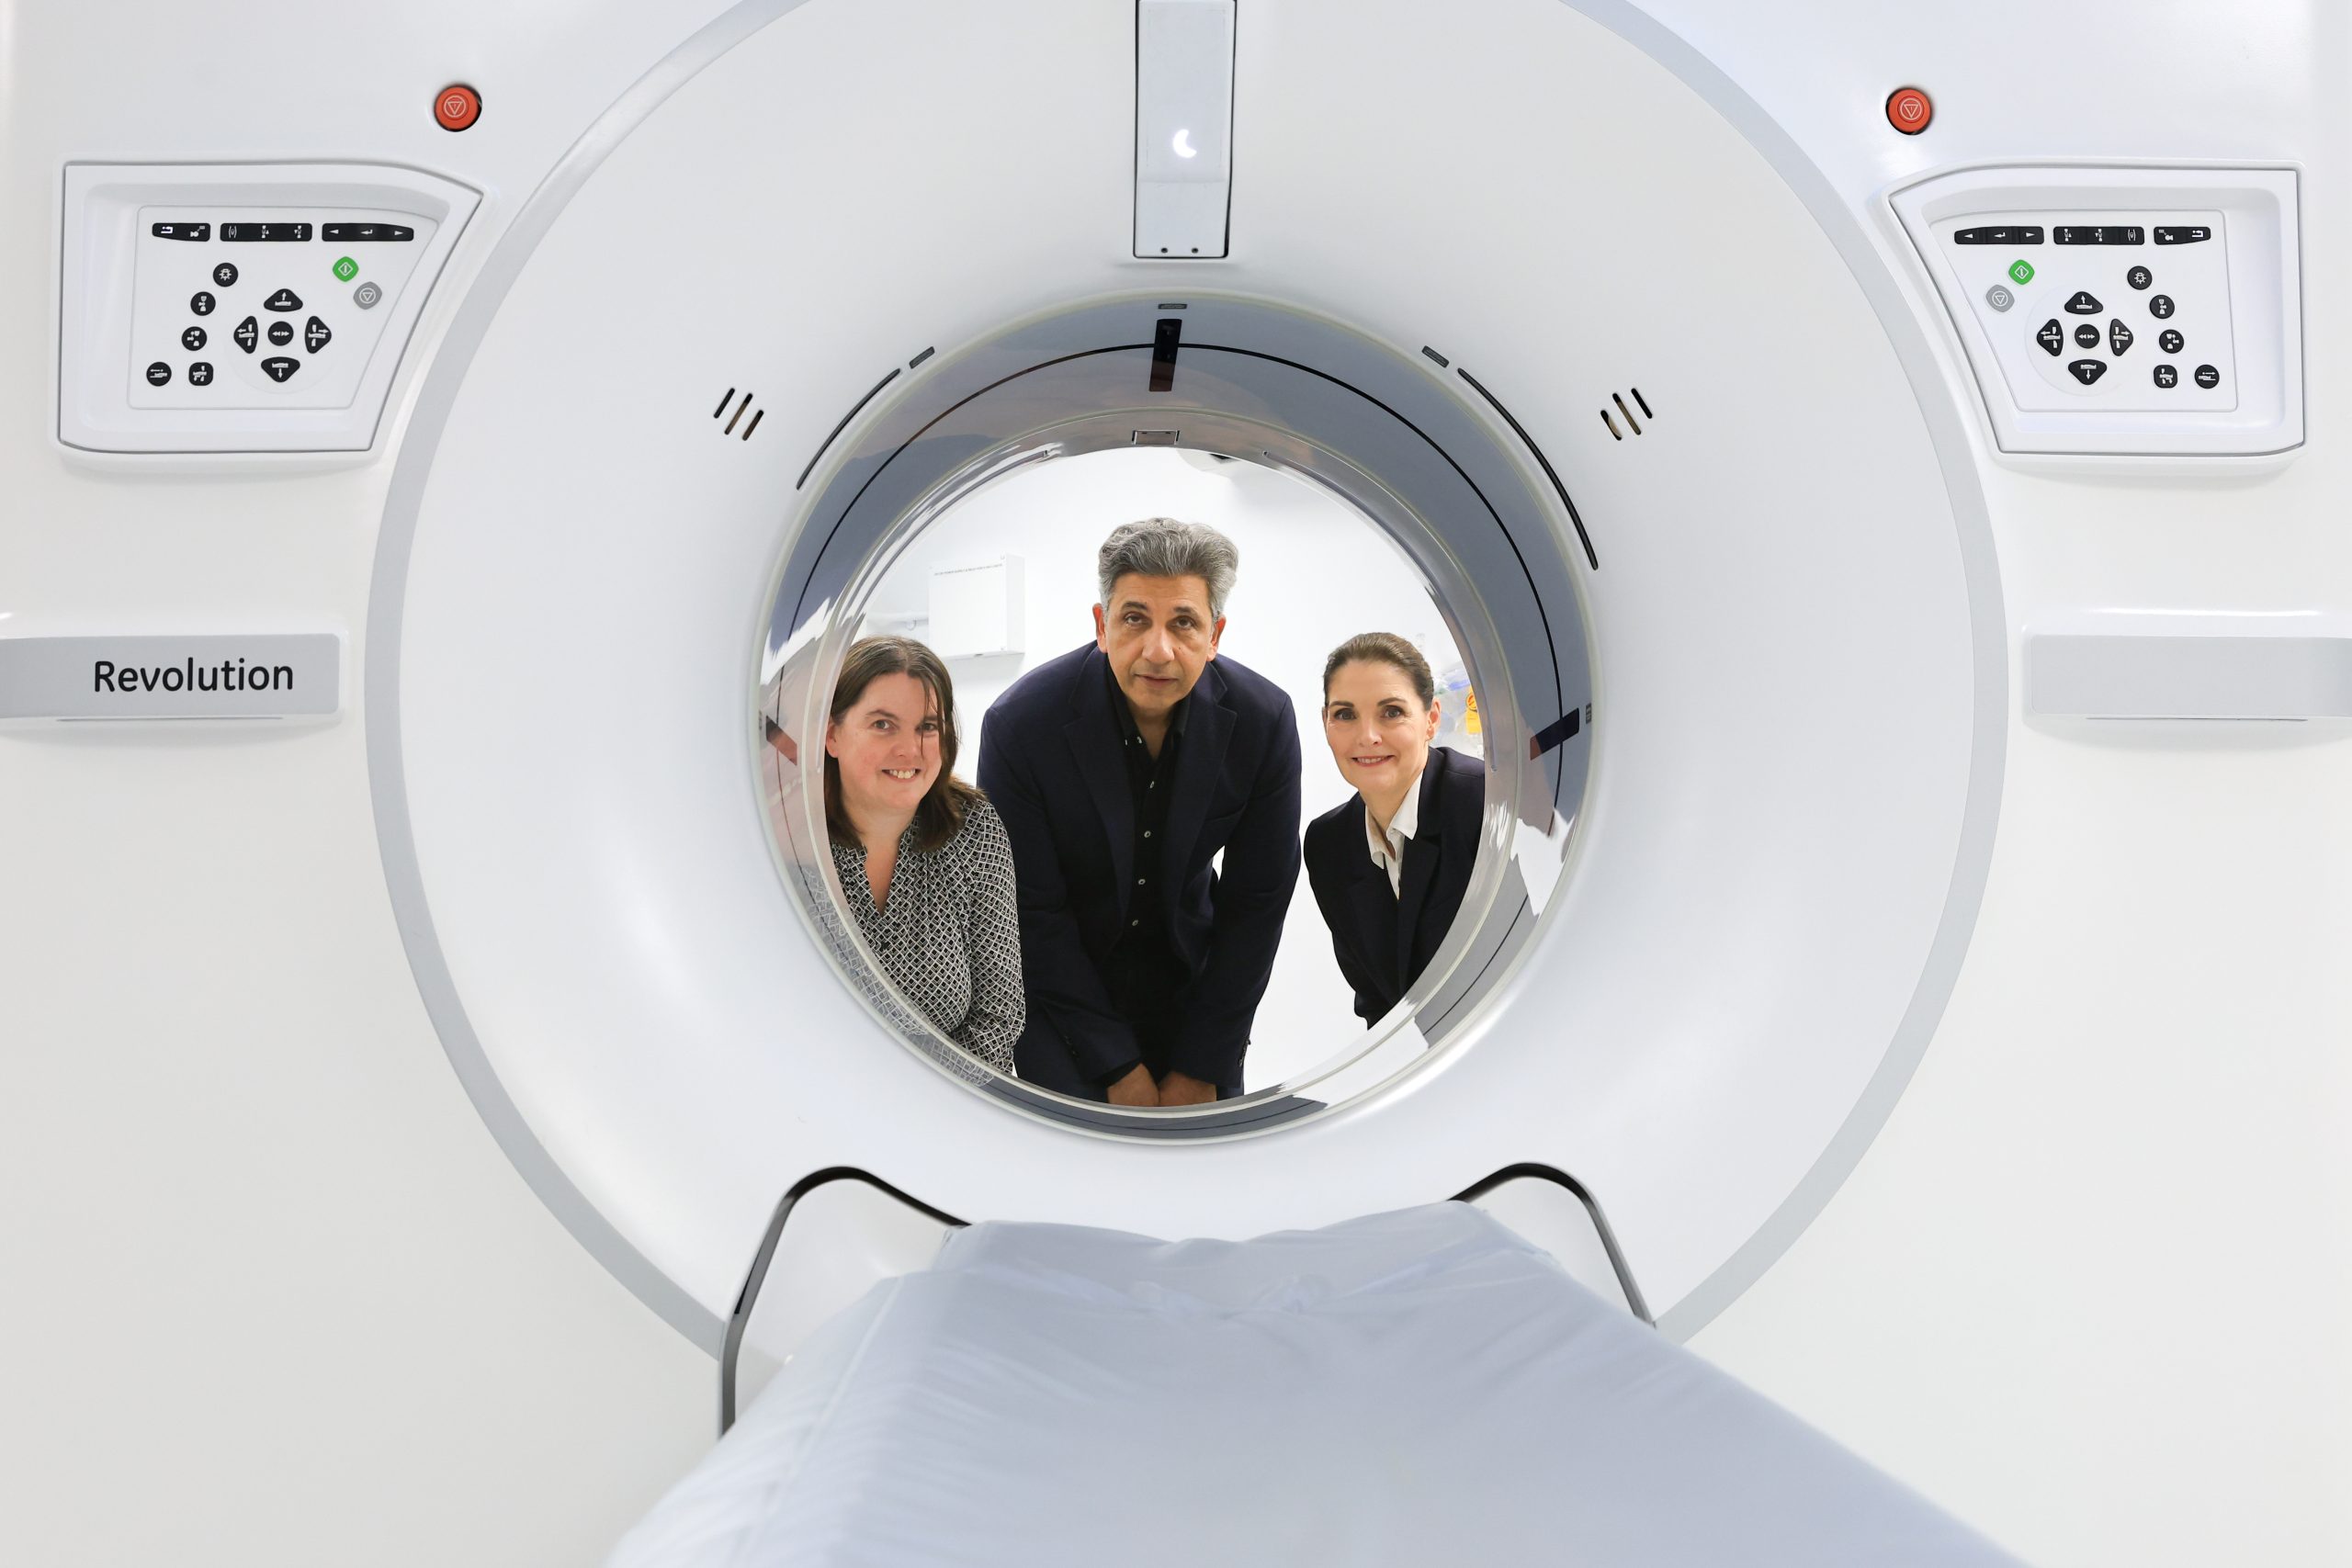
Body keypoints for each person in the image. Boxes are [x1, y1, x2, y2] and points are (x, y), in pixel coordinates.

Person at [978, 519, 1302, 1106]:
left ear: (1215, 634)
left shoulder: (1263, 720)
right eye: (1134, 619)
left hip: (1197, 1000)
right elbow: (1033, 910)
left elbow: (1257, 904)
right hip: (1062, 1000)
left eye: (1183, 622)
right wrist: (1117, 1067)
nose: (1158, 650)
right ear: (1102, 626)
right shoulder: (1021, 725)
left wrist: (1201, 1065)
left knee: (1202, 1177)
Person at [823, 636, 1023, 1073]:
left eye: (926, 727)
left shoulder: (974, 829)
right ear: (831, 734)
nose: (909, 750)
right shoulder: (792, 844)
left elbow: (999, 1018)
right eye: (882, 724)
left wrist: (921, 1111)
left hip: (947, 1111)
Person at [1304, 633, 1486, 1026]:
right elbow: (1377, 1003)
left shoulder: (1485, 803)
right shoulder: (1327, 843)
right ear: (1325, 723)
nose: (1367, 736)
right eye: (1345, 714)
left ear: (1431, 719)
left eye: (1391, 712)